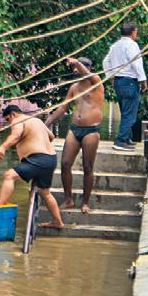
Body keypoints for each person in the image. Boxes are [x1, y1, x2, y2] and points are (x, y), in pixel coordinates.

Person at [44, 57, 104, 214]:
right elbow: (62, 108)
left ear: (87, 68)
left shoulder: (96, 82)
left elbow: (88, 74)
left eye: (78, 68)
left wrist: (76, 62)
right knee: (65, 163)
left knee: (87, 167)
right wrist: (46, 124)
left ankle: (85, 202)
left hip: (91, 130)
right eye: (74, 68)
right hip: (75, 129)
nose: (75, 71)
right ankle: (68, 199)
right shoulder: (74, 87)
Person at [0, 104, 64, 229]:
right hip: (50, 159)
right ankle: (58, 222)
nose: (9, 123)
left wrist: (2, 147)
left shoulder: (18, 120)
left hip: (37, 159)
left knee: (9, 176)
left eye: (8, 119)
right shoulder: (37, 121)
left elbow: (15, 136)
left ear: (13, 114)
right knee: (45, 193)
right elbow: (51, 136)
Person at [102, 23, 147, 150]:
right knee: (129, 113)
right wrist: (143, 81)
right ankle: (120, 141)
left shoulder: (115, 45)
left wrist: (110, 76)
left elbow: (106, 61)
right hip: (130, 81)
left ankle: (127, 138)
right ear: (133, 32)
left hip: (118, 81)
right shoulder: (132, 45)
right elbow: (137, 64)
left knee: (125, 111)